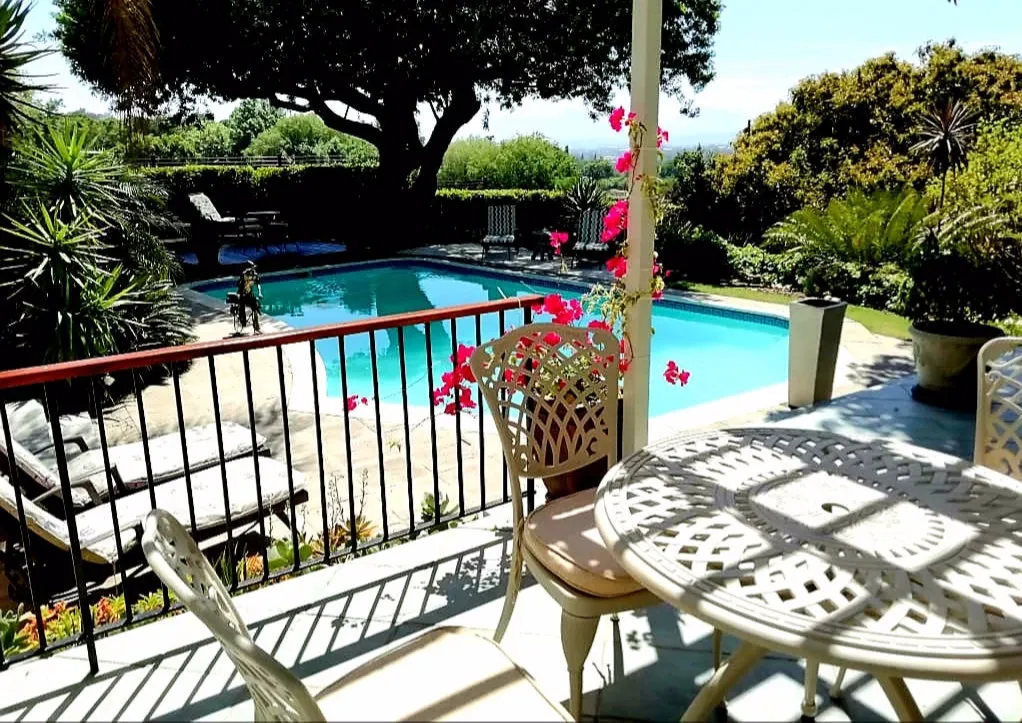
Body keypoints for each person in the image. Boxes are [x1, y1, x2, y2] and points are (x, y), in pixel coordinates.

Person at [236, 260, 263, 333]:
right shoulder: (244, 274)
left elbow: (258, 284)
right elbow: (238, 284)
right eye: (251, 268)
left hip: (250, 294)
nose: (252, 269)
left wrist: (260, 292)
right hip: (242, 294)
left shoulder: (255, 275)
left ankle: (257, 327)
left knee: (255, 308)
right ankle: (242, 320)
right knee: (242, 307)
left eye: (253, 267)